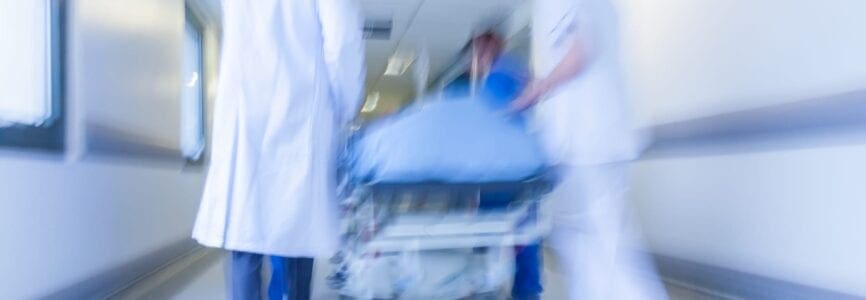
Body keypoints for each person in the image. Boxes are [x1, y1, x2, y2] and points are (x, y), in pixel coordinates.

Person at [191, 0, 365, 299]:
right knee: (296, 233)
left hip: (244, 111)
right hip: (298, 105)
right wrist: (343, 106)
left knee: (245, 236)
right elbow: (344, 38)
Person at [511, 0, 666, 299]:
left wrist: (538, 88)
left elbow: (581, 50)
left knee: (604, 247)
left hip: (588, 142)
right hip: (591, 140)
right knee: (587, 243)